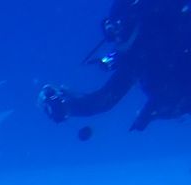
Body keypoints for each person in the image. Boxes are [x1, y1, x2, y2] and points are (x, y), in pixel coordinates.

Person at [39, 0, 191, 131]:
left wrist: (68, 106)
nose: (117, 39)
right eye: (113, 31)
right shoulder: (141, 52)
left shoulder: (145, 50)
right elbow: (105, 99)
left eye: (118, 30)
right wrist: (67, 105)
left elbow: (105, 99)